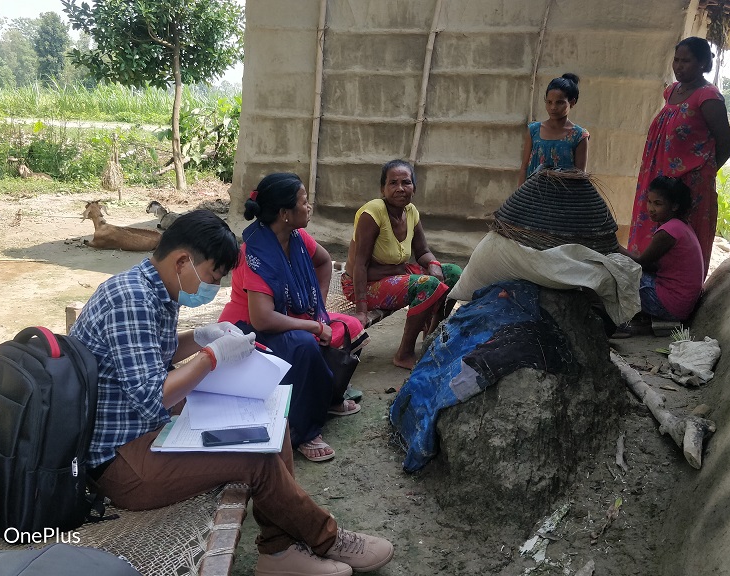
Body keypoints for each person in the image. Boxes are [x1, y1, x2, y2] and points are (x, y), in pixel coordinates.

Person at [70, 210, 393, 576]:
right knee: (256, 459)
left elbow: (155, 355)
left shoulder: (155, 289)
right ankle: (325, 538)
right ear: (182, 261)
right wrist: (211, 356)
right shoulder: (131, 300)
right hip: (120, 461)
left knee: (271, 418)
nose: (213, 285)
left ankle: (280, 551)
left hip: (144, 428)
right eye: (212, 276)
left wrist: (202, 336)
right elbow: (151, 398)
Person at [220, 173, 365, 464]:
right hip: (247, 330)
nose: (309, 207)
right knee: (304, 344)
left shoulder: (296, 237)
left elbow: (323, 262)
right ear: (285, 213)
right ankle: (304, 431)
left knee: (350, 326)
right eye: (304, 201)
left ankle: (327, 398)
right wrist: (313, 325)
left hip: (284, 315)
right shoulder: (256, 254)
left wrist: (318, 310)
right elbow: (262, 319)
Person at [627, 36, 730, 277]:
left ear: (703, 64)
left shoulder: (708, 97)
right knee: (653, 225)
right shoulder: (672, 91)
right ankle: (645, 282)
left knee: (681, 235)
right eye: (676, 60)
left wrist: (705, 172)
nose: (678, 66)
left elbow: (726, 141)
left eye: (686, 61)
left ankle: (678, 288)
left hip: (688, 184)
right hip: (659, 177)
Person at [343, 159, 462, 370]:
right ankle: (404, 353)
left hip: (396, 274)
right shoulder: (373, 213)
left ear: (414, 188)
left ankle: (431, 336)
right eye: (393, 183)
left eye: (406, 182)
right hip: (363, 285)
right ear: (383, 189)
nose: (400, 188)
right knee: (427, 285)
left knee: (453, 272)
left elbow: (422, 251)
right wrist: (361, 310)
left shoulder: (411, 211)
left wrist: (434, 264)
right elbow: (360, 265)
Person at [619, 176, 705, 327]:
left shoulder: (668, 232)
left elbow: (640, 262)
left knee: (618, 275)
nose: (651, 209)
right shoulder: (681, 225)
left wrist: (613, 245)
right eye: (649, 202)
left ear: (674, 206)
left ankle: (621, 325)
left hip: (671, 307)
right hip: (681, 304)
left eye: (658, 204)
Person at [517, 73, 590, 185]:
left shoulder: (579, 136)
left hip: (563, 195)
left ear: (572, 102)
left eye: (559, 102)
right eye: (549, 102)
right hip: (532, 193)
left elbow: (580, 177)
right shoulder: (534, 130)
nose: (553, 107)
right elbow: (524, 168)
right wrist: (519, 194)